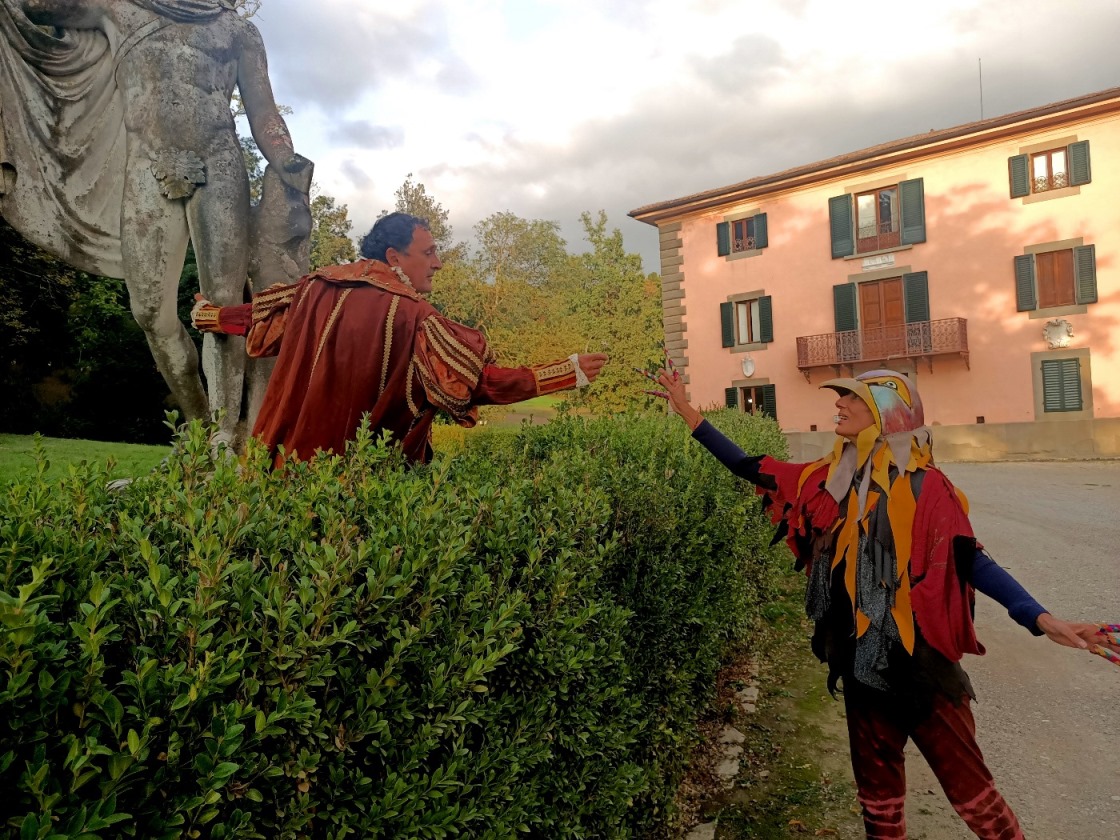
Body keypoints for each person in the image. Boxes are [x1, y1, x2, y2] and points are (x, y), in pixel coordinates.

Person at [646, 363, 1100, 840]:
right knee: (878, 804)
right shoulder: (826, 480)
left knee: (973, 797)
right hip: (859, 667)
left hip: (922, 673)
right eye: (843, 397)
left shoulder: (928, 488)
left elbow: (969, 559)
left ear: (888, 414)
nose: (839, 404)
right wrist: (686, 411)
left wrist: (1039, 617)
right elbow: (749, 466)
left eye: (854, 399)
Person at [2, 0, 312, 442]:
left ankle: (225, 432)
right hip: (147, 166)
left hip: (219, 163)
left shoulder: (234, 30)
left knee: (221, 305)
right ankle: (199, 424)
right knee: (149, 311)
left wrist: (286, 158)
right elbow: (37, 9)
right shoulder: (119, 9)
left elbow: (263, 110)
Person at [191, 212, 608, 466]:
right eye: (428, 253)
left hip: (279, 471)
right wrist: (561, 374)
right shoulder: (415, 317)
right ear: (394, 257)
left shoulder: (312, 289)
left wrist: (210, 315)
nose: (438, 263)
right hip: (359, 492)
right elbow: (474, 383)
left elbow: (258, 318)